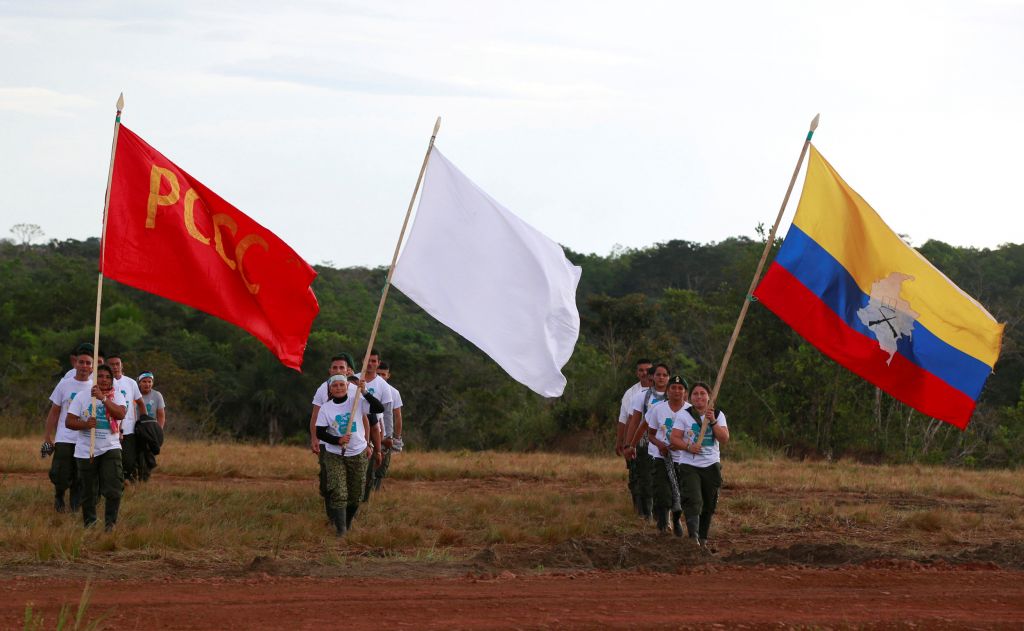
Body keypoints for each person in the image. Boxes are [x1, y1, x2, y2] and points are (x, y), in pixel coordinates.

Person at [315, 375, 384, 535]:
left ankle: (347, 522)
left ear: (347, 386)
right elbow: (320, 432)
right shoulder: (326, 408)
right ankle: (341, 530)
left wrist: (365, 392)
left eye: (341, 385)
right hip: (335, 454)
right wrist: (337, 440)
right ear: (330, 389)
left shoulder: (357, 401)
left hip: (357, 453)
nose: (338, 388)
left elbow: (379, 408)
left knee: (356, 494)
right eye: (335, 386)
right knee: (339, 491)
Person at [64, 364, 127, 530]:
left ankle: (110, 525)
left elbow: (120, 414)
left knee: (113, 488)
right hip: (86, 450)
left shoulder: (117, 396)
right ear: (94, 378)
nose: (104, 379)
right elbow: (69, 421)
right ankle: (90, 526)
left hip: (110, 447)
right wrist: (84, 424)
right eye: (100, 376)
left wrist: (103, 399)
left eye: (107, 377)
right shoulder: (81, 396)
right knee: (88, 492)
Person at [670, 381, 730, 550]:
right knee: (694, 500)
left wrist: (712, 422)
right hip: (690, 464)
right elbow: (674, 438)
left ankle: (703, 539)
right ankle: (693, 539)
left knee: (709, 504)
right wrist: (689, 447)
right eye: (695, 394)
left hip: (711, 465)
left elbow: (724, 439)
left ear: (709, 397)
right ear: (690, 397)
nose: (699, 397)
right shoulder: (684, 415)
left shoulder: (717, 414)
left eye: (702, 393)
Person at [42, 344, 95, 513]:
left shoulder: (95, 387)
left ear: (93, 366)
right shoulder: (64, 384)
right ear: (75, 364)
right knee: (61, 473)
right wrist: (48, 436)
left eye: (88, 363)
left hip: (84, 438)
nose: (84, 366)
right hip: (65, 437)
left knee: (80, 474)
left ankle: (74, 504)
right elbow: (54, 412)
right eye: (81, 362)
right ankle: (59, 495)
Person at [643, 375, 691, 536]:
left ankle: (676, 518)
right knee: (662, 492)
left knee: (681, 494)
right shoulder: (658, 409)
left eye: (680, 388)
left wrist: (681, 445)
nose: (676, 391)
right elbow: (650, 434)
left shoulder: (691, 411)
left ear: (685, 392)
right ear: (668, 391)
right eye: (673, 388)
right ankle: (664, 525)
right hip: (661, 457)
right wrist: (661, 445)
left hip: (684, 458)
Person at [309, 355, 354, 521]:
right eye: (334, 368)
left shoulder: (354, 388)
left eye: (341, 368)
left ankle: (346, 516)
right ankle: (332, 516)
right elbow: (315, 415)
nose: (338, 370)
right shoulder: (323, 389)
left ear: (348, 370)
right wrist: (314, 438)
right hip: (327, 441)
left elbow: (367, 417)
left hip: (352, 443)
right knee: (329, 478)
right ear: (329, 370)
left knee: (349, 480)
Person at [623, 363, 670, 520]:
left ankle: (664, 514)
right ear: (652, 377)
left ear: (669, 377)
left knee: (665, 479)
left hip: (668, 444)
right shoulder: (641, 397)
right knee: (646, 478)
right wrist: (630, 445)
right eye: (658, 375)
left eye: (664, 375)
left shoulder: (675, 394)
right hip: (644, 443)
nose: (661, 378)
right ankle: (648, 513)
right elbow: (634, 421)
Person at [355, 349, 392, 500]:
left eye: (374, 361)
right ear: (363, 360)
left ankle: (364, 498)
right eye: (367, 360)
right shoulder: (354, 379)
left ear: (378, 363)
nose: (370, 364)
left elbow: (388, 412)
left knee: (370, 467)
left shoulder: (383, 385)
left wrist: (389, 436)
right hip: (356, 428)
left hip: (376, 429)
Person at [617, 358, 652, 515]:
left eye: (648, 370)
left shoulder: (662, 391)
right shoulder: (631, 393)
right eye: (641, 370)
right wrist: (622, 442)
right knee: (636, 474)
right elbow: (624, 419)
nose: (645, 373)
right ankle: (639, 509)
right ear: (637, 373)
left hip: (656, 440)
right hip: (634, 440)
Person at [365, 361, 403, 495]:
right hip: (369, 432)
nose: (381, 377)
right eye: (378, 374)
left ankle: (375, 492)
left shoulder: (394, 392)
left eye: (383, 374)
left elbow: (397, 416)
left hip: (386, 435)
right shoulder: (366, 387)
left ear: (388, 375)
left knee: (380, 468)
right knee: (368, 465)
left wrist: (396, 437)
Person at [136, 372, 166, 480]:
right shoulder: (134, 394)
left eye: (149, 382)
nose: (147, 384)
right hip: (136, 428)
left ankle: (145, 478)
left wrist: (159, 431)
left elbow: (161, 415)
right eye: (144, 381)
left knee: (148, 455)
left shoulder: (157, 395)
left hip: (150, 430)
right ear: (139, 383)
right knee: (136, 454)